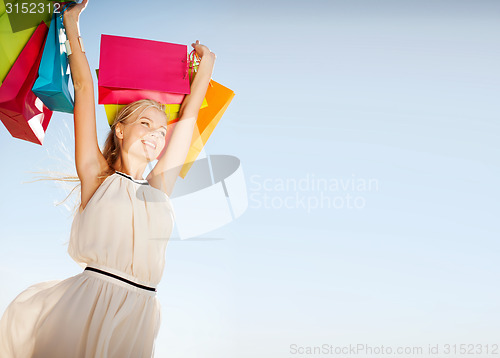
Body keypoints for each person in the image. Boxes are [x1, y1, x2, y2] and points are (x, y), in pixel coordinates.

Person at [0, 0, 216, 356]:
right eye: (145, 123)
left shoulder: (160, 187)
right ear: (119, 130)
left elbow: (190, 116)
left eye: (162, 130)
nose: (156, 135)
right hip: (88, 305)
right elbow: (85, 88)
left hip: (141, 313)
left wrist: (205, 68)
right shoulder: (98, 176)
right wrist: (72, 22)